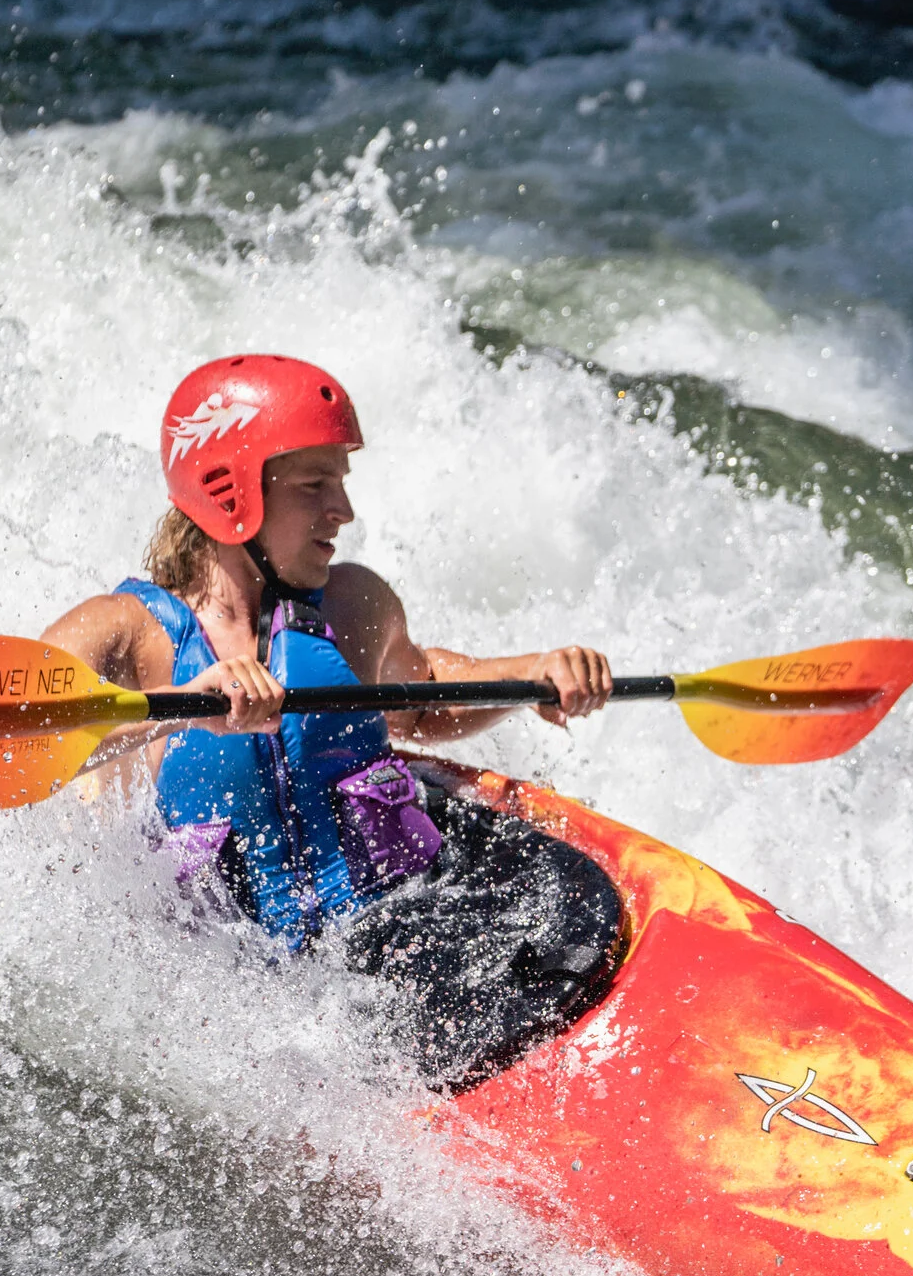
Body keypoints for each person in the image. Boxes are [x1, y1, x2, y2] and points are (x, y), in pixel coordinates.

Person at [43, 354, 625, 1086]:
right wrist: (177, 712)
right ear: (233, 492)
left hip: (404, 927)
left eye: (341, 483)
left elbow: (420, 694)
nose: (342, 512)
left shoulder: (350, 604)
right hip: (244, 988)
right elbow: (21, 732)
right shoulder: (128, 632)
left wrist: (529, 675)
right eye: (315, 485)